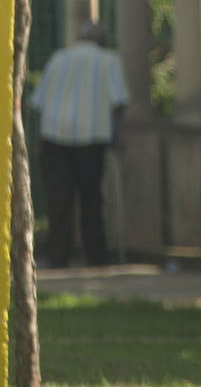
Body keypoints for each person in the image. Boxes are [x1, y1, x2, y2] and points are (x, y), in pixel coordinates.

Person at [29, 20, 129, 268]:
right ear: (102, 41)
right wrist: (117, 138)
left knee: (59, 202)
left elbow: (38, 103)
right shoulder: (108, 59)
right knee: (91, 201)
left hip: (54, 136)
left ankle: (58, 258)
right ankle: (96, 259)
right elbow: (119, 103)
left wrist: (40, 140)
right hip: (91, 138)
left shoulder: (58, 58)